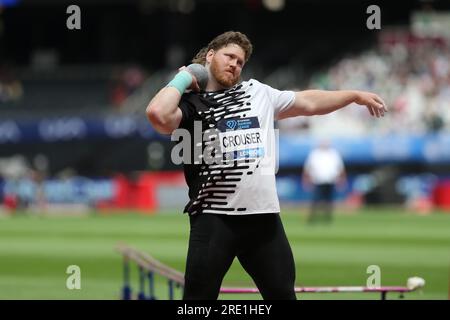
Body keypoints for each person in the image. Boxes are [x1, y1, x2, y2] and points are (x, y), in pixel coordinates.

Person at [146, 31, 387, 300]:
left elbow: (308, 102)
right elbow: (158, 115)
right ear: (210, 56)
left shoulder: (257, 92)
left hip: (263, 218)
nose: (235, 65)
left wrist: (353, 95)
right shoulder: (191, 104)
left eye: (240, 62)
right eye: (230, 57)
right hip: (213, 219)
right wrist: (183, 77)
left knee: (283, 296)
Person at [302, 140, 347, 224]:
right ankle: (312, 218)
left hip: (331, 180)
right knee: (315, 200)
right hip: (318, 181)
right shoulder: (314, 154)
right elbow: (307, 168)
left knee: (329, 201)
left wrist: (342, 180)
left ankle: (327, 218)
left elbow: (340, 168)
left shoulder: (334, 153)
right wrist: (306, 180)